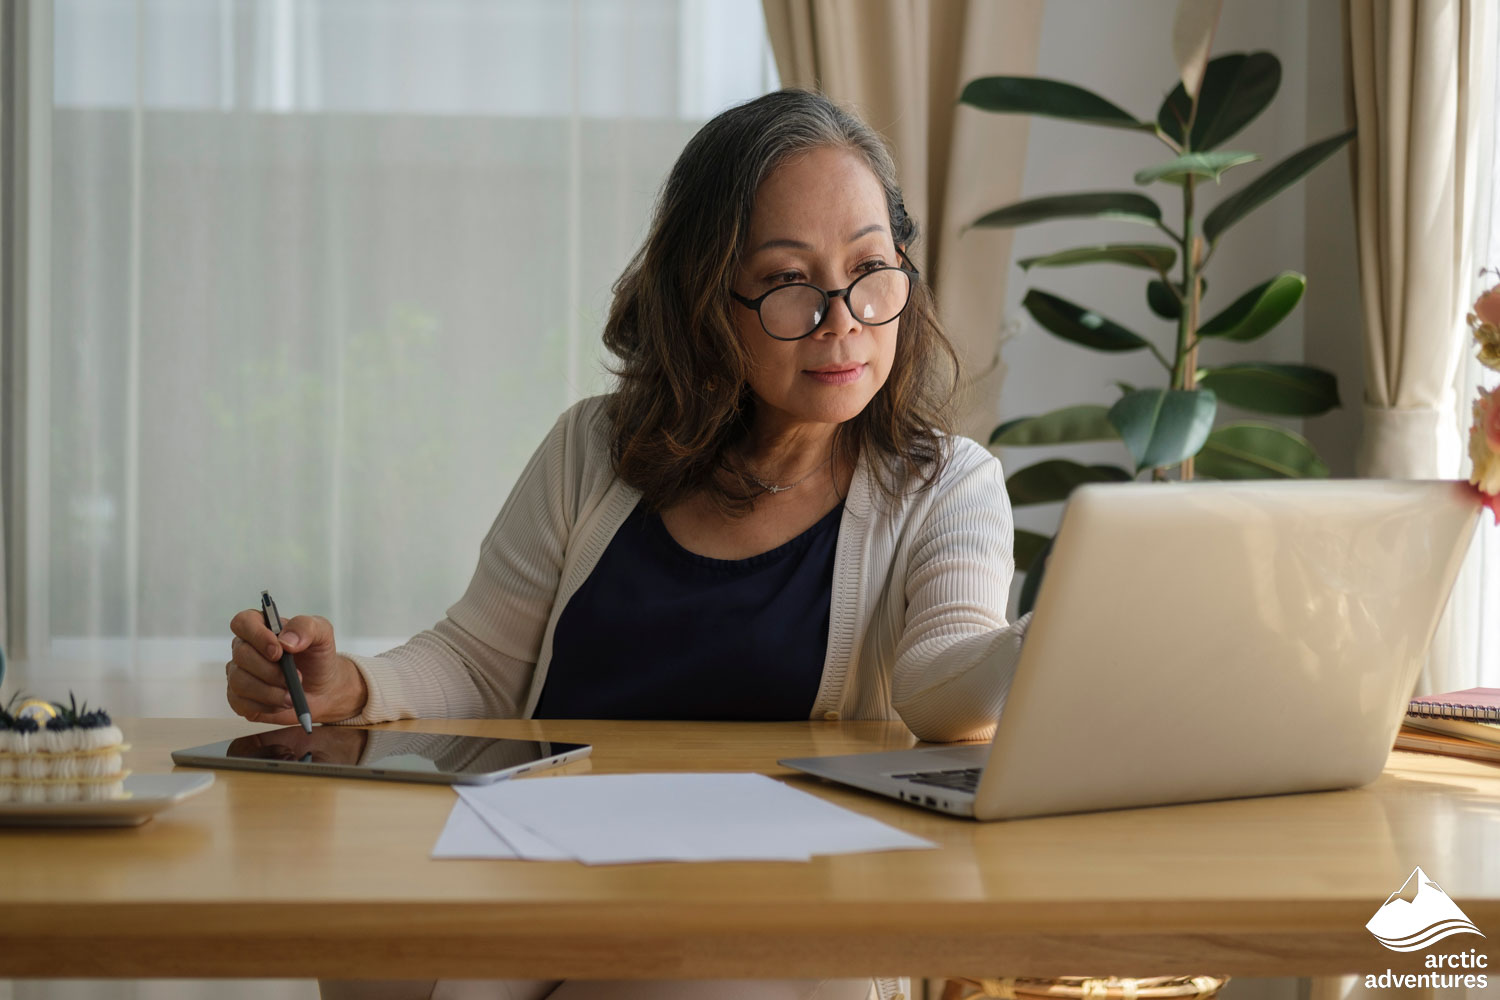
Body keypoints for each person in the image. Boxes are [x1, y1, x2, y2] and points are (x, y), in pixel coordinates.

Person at [225, 88, 1030, 1000]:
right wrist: (351, 684)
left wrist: (1037, 644)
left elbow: (942, 684)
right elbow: (480, 659)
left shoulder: (945, 485)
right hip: (543, 858)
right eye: (787, 281)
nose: (842, 317)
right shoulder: (593, 447)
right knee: (371, 939)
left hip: (779, 898)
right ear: (706, 297)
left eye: (870, 269)